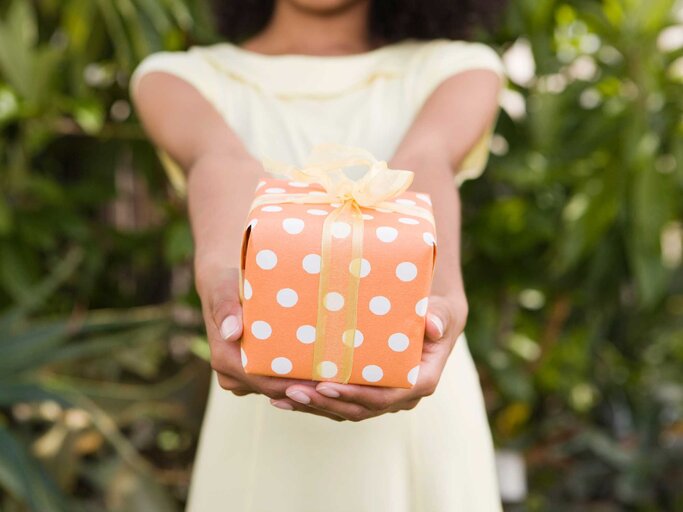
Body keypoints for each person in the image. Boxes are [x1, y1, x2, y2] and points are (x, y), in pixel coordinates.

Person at [129, 0, 508, 510]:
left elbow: (424, 160)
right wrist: (222, 276)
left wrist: (440, 296)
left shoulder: (459, 68)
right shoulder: (176, 78)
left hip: (419, 385)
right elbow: (222, 161)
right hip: (263, 401)